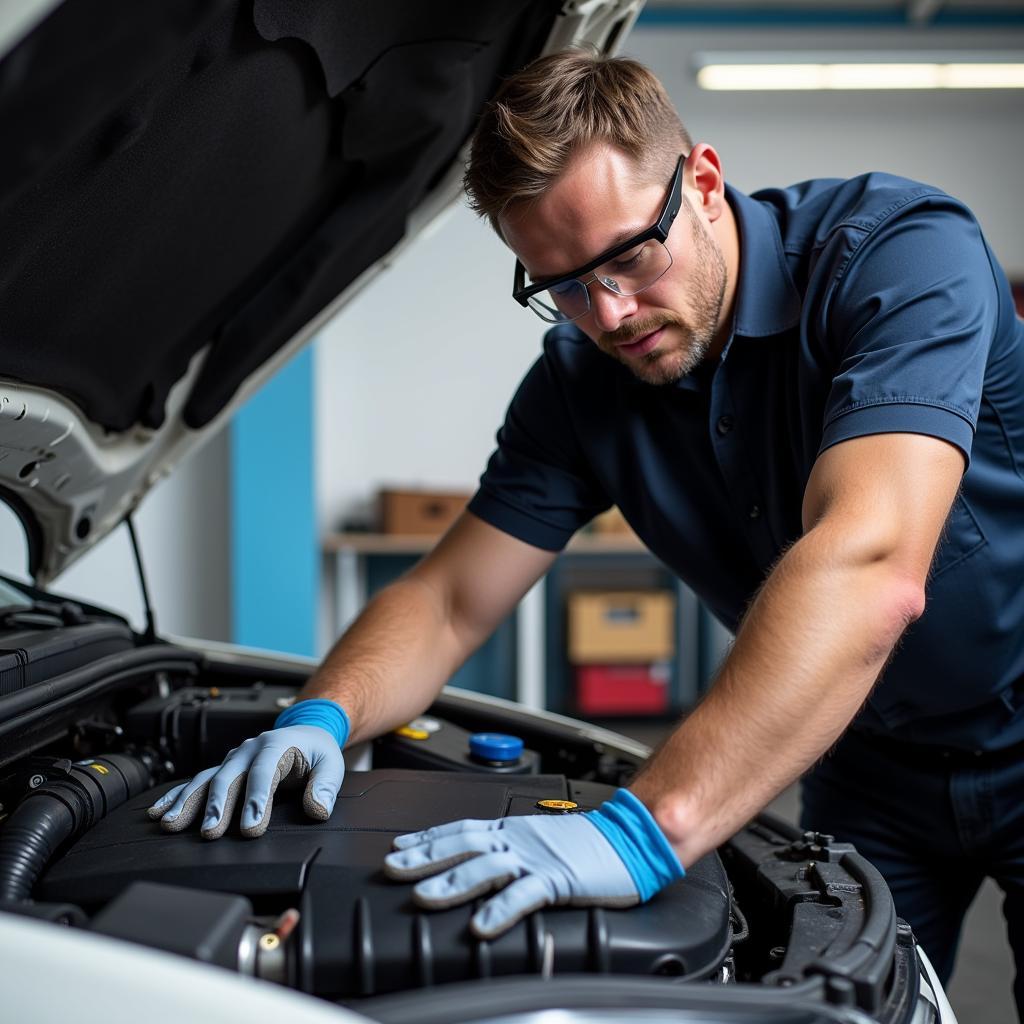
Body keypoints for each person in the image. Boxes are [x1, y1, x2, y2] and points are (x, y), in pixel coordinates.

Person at [147, 50, 1024, 1002]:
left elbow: (872, 564)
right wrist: (325, 711)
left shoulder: (899, 256)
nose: (609, 314)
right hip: (862, 760)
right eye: (561, 283)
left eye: (630, 257)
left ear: (701, 181)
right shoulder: (579, 383)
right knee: (857, 1005)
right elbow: (448, 600)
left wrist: (646, 826)